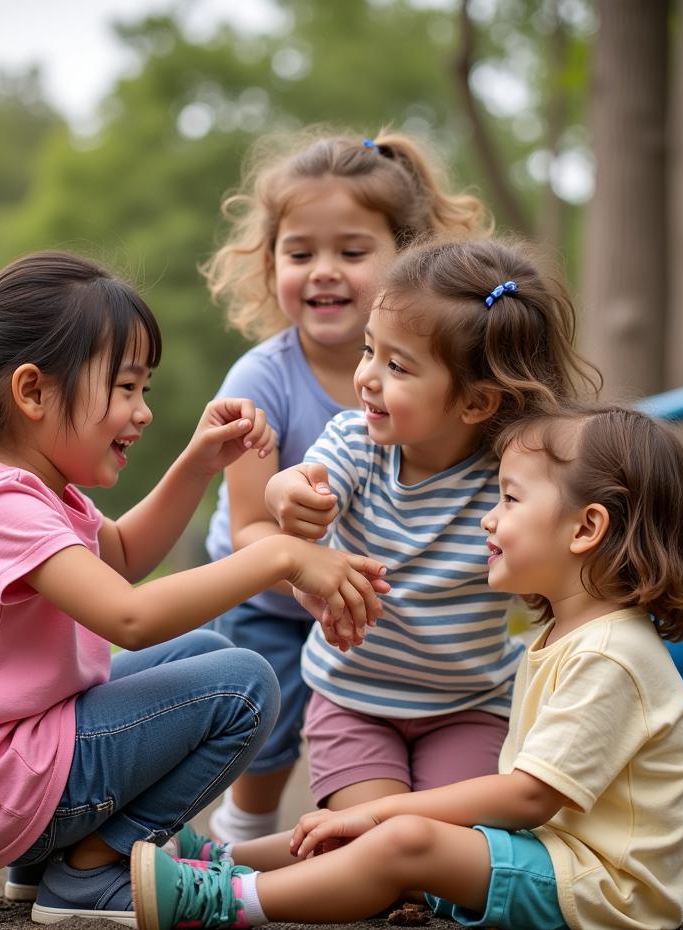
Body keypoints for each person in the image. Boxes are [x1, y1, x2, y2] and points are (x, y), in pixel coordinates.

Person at [0, 251, 390, 928]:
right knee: (242, 683)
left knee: (204, 651)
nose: (142, 411)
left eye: (143, 389)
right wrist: (279, 556)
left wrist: (197, 463)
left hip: (1, 780)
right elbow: (128, 617)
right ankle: (95, 870)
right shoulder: (2, 505)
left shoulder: (33, 493)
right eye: (125, 388)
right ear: (32, 392)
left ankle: (46, 865)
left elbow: (120, 556)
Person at [131, 402, 683, 930]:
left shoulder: (610, 653)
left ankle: (223, 898)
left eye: (510, 500)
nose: (488, 521)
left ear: (587, 528)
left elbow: (527, 797)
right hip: (556, 858)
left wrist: (381, 811)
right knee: (377, 835)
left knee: (402, 837)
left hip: (602, 887)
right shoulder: (572, 634)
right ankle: (222, 857)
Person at [201, 129, 491, 843]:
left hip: (375, 600)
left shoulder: (445, 387)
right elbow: (247, 531)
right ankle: (248, 820)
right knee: (264, 728)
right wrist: (305, 566)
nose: (323, 270)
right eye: (300, 253)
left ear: (409, 257)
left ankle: (400, 815)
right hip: (265, 591)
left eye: (352, 252)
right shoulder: (261, 379)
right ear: (270, 264)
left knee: (377, 712)